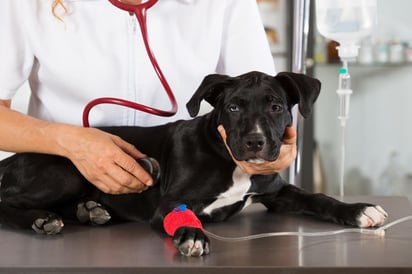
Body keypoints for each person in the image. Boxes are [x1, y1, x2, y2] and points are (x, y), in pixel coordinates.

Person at [0, 0, 296, 195]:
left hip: (189, 203)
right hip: (59, 196)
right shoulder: (27, 4)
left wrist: (276, 150)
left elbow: (257, 103)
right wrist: (71, 142)